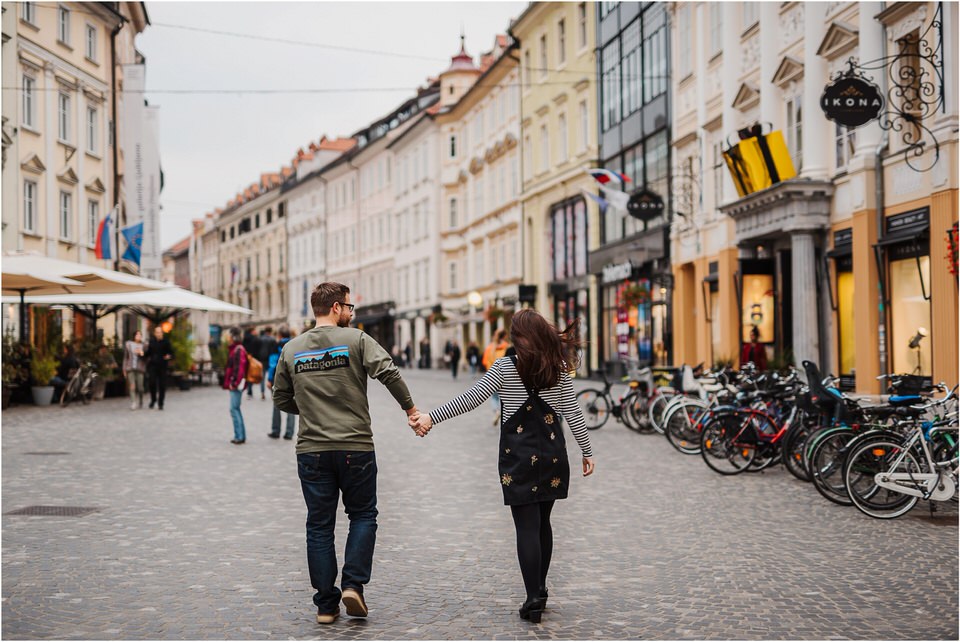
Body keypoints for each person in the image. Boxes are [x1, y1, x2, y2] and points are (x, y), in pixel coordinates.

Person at [408, 309, 594, 624]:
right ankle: (541, 590)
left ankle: (533, 597)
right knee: (543, 524)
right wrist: (587, 452)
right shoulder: (557, 371)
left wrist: (429, 417)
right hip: (552, 455)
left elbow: (471, 398)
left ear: (518, 339)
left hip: (518, 459)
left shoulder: (506, 368)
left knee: (526, 527)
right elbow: (573, 412)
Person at [272, 282, 420, 625]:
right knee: (363, 515)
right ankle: (353, 585)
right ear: (337, 308)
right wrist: (410, 409)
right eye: (349, 308)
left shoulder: (292, 349)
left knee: (319, 526)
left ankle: (326, 605)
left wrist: (310, 409)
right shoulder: (356, 340)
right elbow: (389, 372)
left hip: (312, 450)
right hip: (355, 446)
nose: (351, 313)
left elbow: (280, 398)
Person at [266, 325, 297, 440]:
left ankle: (276, 430)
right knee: (292, 405)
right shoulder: (295, 344)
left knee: (277, 404)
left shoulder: (276, 345)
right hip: (293, 378)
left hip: (278, 378)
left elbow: (273, 363)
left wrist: (269, 379)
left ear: (279, 335)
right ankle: (289, 432)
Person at [223, 327, 249, 444]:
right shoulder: (237, 349)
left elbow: (239, 369)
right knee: (236, 408)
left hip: (236, 384)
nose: (227, 338)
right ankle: (240, 435)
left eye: (229, 335)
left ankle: (239, 436)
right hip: (236, 383)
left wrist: (234, 383)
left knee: (234, 409)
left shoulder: (238, 349)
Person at [482, 329, 510, 425]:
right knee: (502, 397)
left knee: (494, 397)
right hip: (506, 375)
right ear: (504, 336)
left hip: (491, 375)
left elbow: (485, 361)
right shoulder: (507, 347)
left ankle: (496, 411)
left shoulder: (490, 347)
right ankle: (500, 411)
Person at [144, 326, 173, 410]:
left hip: (162, 366)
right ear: (154, 333)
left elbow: (171, 353)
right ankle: (153, 400)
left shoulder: (166, 342)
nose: (158, 334)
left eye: (159, 332)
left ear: (162, 333)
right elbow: (148, 353)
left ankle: (161, 403)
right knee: (152, 383)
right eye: (157, 332)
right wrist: (142, 354)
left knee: (162, 385)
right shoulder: (152, 341)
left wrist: (169, 356)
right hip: (153, 365)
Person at [123, 331, 146, 410]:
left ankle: (141, 400)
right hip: (130, 368)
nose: (138, 336)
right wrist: (124, 369)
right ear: (134, 336)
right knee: (132, 386)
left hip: (140, 369)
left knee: (140, 387)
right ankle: (133, 402)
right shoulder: (129, 345)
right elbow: (125, 358)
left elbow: (147, 357)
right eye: (137, 334)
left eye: (140, 335)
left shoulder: (144, 345)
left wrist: (141, 353)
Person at [258, 326, 277, 401]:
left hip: (262, 359)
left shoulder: (260, 339)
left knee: (262, 377)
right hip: (270, 359)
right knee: (271, 376)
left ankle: (262, 393)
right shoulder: (273, 339)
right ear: (271, 331)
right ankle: (272, 393)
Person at [243, 328, 260, 398]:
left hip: (246, 357)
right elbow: (256, 348)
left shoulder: (244, 338)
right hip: (252, 358)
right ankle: (249, 390)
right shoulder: (254, 339)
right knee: (251, 374)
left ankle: (249, 390)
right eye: (255, 330)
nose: (256, 332)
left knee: (248, 374)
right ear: (252, 331)